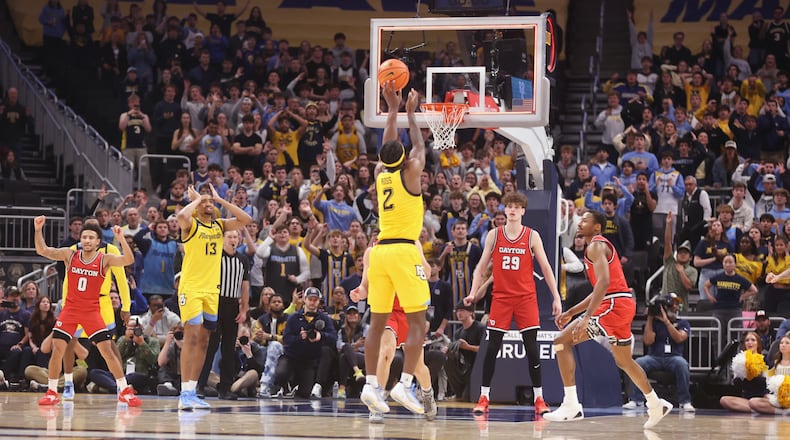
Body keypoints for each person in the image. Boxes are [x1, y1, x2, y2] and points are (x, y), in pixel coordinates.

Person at [543, 211, 672, 429]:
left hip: (613, 304)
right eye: (580, 219)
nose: (580, 222)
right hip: (619, 304)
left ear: (597, 228)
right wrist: (572, 312)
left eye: (586, 220)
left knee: (561, 341)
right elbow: (599, 290)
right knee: (624, 361)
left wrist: (586, 318)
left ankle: (571, 405)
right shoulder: (593, 248)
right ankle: (655, 403)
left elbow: (603, 284)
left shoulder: (596, 245)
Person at [358, 82, 428, 416]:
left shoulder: (379, 173)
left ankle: (371, 385)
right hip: (403, 251)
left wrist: (392, 110)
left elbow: (387, 146)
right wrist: (411, 115)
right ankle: (404, 385)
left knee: (376, 323)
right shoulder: (412, 171)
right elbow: (419, 145)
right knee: (419, 324)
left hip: (380, 253)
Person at [463, 192, 562, 415]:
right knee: (492, 349)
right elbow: (480, 267)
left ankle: (539, 399)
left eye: (517, 206)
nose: (513, 210)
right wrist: (472, 293)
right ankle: (484, 396)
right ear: (505, 210)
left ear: (523, 211)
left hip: (526, 298)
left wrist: (556, 297)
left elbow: (546, 268)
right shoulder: (494, 235)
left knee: (532, 350)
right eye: (510, 206)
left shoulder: (531, 236)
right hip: (502, 298)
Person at [33, 217, 141, 407]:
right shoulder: (70, 254)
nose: (87, 240)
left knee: (107, 350)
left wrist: (121, 237)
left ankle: (124, 390)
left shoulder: (105, 258)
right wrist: (38, 229)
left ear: (98, 241)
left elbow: (128, 260)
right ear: (80, 239)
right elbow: (42, 250)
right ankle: (51, 391)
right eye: (84, 237)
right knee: (59, 348)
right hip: (71, 309)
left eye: (91, 237)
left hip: (92, 310)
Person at [175, 183, 252, 410]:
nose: (208, 204)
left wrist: (220, 200)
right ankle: (184, 393)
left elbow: (245, 218)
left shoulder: (219, 225)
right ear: (197, 205)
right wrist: (197, 200)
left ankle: (191, 390)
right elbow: (180, 215)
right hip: (191, 289)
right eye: (204, 201)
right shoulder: (191, 224)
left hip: (212, 291)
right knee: (192, 336)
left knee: (205, 341)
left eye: (210, 202)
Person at [351, 241, 438, 422]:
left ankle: (427, 394)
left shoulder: (412, 244)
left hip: (408, 309)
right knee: (386, 352)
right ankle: (377, 402)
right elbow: (365, 285)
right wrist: (360, 292)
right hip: (386, 309)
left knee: (417, 367)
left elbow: (428, 272)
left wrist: (415, 264)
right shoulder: (372, 251)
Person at [197, 229, 250, 400]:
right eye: (230, 237)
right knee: (210, 346)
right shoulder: (215, 257)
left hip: (233, 305)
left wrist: (244, 309)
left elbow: (245, 286)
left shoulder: (242, 259)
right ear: (223, 239)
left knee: (229, 348)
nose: (233, 240)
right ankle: (200, 384)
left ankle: (225, 388)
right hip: (214, 303)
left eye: (235, 237)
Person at [623, 293, 695, 412]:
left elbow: (679, 338)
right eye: (673, 304)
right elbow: (647, 341)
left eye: (677, 304)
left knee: (682, 364)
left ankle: (685, 401)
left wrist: (667, 322)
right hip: (655, 357)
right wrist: (650, 317)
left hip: (674, 357)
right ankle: (636, 400)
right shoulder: (654, 323)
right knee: (638, 363)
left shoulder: (683, 323)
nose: (676, 307)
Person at [444, 300, 485, 402]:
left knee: (469, 398)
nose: (459, 313)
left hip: (478, 367)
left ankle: (464, 393)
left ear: (471, 312)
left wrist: (468, 347)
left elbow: (486, 350)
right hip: (465, 366)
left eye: (462, 310)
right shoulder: (459, 332)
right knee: (447, 360)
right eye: (457, 311)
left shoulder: (480, 328)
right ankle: (458, 392)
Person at [720, 332, 767, 412]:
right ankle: (755, 409)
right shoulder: (740, 360)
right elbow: (736, 384)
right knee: (724, 400)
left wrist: (754, 374)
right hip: (746, 400)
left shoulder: (764, 359)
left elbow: (766, 384)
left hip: (760, 399)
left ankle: (757, 407)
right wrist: (742, 374)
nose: (750, 343)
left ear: (758, 344)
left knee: (755, 402)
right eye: (747, 340)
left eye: (753, 340)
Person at [749, 335, 790, 415]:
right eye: (781, 343)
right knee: (753, 402)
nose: (783, 345)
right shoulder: (774, 364)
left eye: (787, 343)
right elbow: (768, 380)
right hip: (777, 397)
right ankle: (783, 412)